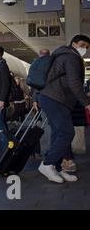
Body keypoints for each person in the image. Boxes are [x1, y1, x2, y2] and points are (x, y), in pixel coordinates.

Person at [38, 35, 90, 183]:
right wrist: (87, 102)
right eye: (82, 45)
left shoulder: (65, 55)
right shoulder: (71, 57)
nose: (84, 49)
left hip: (54, 98)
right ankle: (47, 164)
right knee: (67, 133)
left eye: (87, 47)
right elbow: (74, 83)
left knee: (58, 133)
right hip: (55, 98)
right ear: (73, 43)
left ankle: (57, 168)